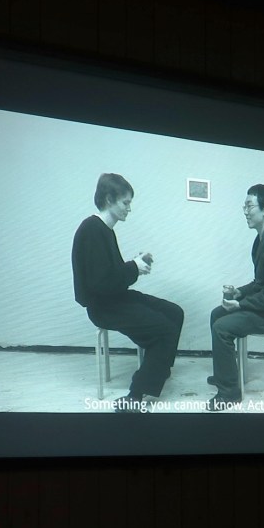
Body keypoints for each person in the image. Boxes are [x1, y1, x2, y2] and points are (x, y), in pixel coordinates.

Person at [72, 173, 184, 411]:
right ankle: (136, 395)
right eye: (125, 202)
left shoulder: (104, 230)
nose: (129, 209)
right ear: (109, 199)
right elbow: (100, 284)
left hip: (115, 298)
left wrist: (135, 263)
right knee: (165, 329)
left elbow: (109, 274)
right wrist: (134, 267)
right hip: (103, 307)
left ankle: (158, 369)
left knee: (175, 312)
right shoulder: (92, 230)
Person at [207, 184, 264, 411]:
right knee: (217, 314)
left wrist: (240, 304)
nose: (245, 211)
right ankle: (225, 375)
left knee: (222, 328)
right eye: (245, 206)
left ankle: (229, 393)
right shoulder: (261, 240)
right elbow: (260, 284)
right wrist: (240, 292)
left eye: (249, 206)